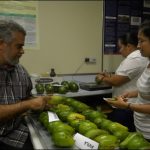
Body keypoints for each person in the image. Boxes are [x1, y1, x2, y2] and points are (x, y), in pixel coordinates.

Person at [0, 20, 51, 149]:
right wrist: (28, 104)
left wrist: (40, 102)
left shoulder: (20, 70)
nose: (23, 51)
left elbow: (26, 98)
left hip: (17, 131)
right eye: (19, 46)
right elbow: (25, 104)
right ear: (1, 44)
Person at [105, 20, 150, 141]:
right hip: (141, 127)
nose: (139, 45)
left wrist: (128, 105)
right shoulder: (148, 63)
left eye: (142, 41)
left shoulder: (136, 58)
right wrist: (132, 93)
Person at [96, 32, 148, 131]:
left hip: (127, 107)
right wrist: (110, 76)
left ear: (128, 46)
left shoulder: (135, 58)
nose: (120, 51)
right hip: (131, 105)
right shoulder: (138, 58)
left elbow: (117, 81)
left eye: (142, 41)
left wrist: (102, 78)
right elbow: (126, 77)